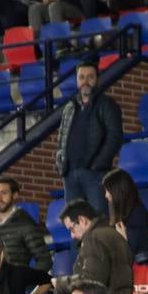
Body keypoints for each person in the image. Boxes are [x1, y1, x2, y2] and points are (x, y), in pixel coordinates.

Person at [55, 62, 122, 218]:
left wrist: (97, 164)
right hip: (70, 175)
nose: (86, 81)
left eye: (90, 77)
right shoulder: (69, 107)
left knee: (99, 220)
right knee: (74, 222)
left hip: (95, 175)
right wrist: (61, 163)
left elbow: (115, 137)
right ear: (77, 81)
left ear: (97, 80)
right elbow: (61, 139)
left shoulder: (107, 104)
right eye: (82, 77)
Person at [62, 200, 132, 294]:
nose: (72, 235)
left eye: (71, 228)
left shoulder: (93, 239)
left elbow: (92, 281)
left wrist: (61, 284)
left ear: (82, 220)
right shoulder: (111, 233)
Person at [0, 178, 50, 272]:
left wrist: (26, 281)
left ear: (15, 195)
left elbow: (45, 260)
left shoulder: (26, 224)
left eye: (4, 193)